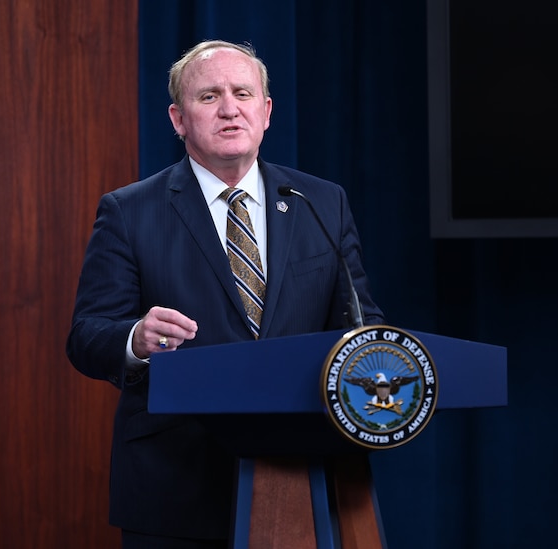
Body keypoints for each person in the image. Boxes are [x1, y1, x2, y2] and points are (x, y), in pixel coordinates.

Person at [66, 39, 384, 548]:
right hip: (176, 483)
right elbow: (86, 336)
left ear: (267, 111)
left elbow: (361, 328)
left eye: (243, 93)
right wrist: (135, 338)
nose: (230, 109)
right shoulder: (129, 211)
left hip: (305, 477)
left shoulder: (321, 202)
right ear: (178, 118)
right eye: (209, 97)